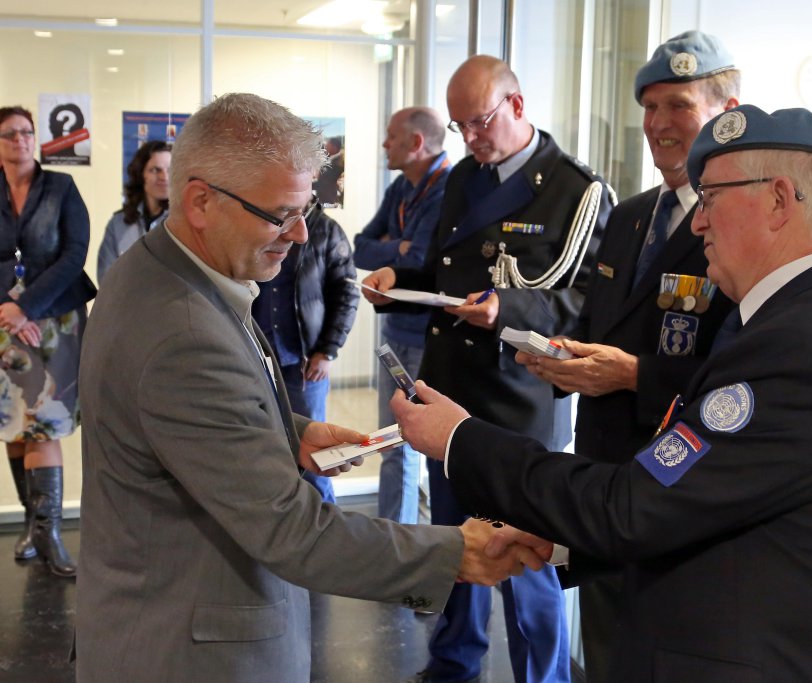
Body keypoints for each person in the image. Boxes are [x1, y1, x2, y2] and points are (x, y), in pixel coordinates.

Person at [393, 105, 812, 682]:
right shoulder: (800, 322)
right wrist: (560, 539)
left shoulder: (806, 343)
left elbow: (636, 507)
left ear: (778, 200)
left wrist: (461, 439)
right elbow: (708, 501)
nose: (698, 223)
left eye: (712, 197)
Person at [74, 92, 543, 683]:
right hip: (191, 653)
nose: (299, 234)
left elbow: (181, 417)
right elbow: (292, 530)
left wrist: (285, 431)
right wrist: (456, 552)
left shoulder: (162, 270)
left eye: (306, 210)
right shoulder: (183, 331)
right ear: (200, 202)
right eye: (279, 214)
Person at [362, 56, 613, 683]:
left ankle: (542, 677)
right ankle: (455, 661)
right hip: (452, 388)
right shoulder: (463, 179)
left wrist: (509, 310)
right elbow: (446, 274)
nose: (470, 138)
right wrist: (399, 284)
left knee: (525, 556)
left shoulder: (576, 190)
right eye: (460, 126)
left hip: (516, 399)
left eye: (479, 122)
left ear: (517, 106)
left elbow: (588, 302)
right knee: (455, 542)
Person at [512, 30, 739, 681]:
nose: (660, 124)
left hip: (679, 494)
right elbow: (599, 323)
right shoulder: (629, 215)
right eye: (650, 107)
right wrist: (562, 359)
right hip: (603, 483)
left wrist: (637, 375)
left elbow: (744, 378)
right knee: (606, 648)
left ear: (727, 111)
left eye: (679, 105)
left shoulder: (737, 227)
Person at [0, 105, 96, 578]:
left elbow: (74, 253)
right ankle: (31, 526)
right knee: (13, 423)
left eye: (27, 132)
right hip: (3, 318)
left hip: (55, 317)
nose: (20, 140)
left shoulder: (60, 187)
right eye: (10, 134)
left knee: (44, 422)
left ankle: (50, 534)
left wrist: (28, 308)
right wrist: (7, 308)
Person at [353, 106, 450, 525]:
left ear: (416, 143)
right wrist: (400, 247)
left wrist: (398, 249)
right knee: (392, 443)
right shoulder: (401, 187)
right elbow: (360, 246)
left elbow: (424, 261)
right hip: (395, 333)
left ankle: (431, 543)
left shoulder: (449, 188)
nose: (384, 144)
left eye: (391, 136)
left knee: (433, 450)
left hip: (432, 341)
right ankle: (394, 537)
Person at [253, 202, 359, 504]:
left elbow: (347, 293)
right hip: (257, 357)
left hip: (304, 363)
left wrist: (327, 351)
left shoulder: (326, 230)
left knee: (316, 456)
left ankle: (326, 520)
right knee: (266, 446)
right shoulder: (258, 222)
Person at [97, 140, 172, 282]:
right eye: (155, 170)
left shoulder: (186, 223)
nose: (164, 177)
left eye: (170, 170)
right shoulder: (118, 224)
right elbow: (106, 280)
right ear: (140, 174)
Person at [313, 135, 344, 206]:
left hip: (327, 200)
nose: (325, 147)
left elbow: (324, 183)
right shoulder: (331, 159)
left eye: (327, 146)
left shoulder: (336, 164)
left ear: (334, 147)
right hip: (324, 198)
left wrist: (307, 186)